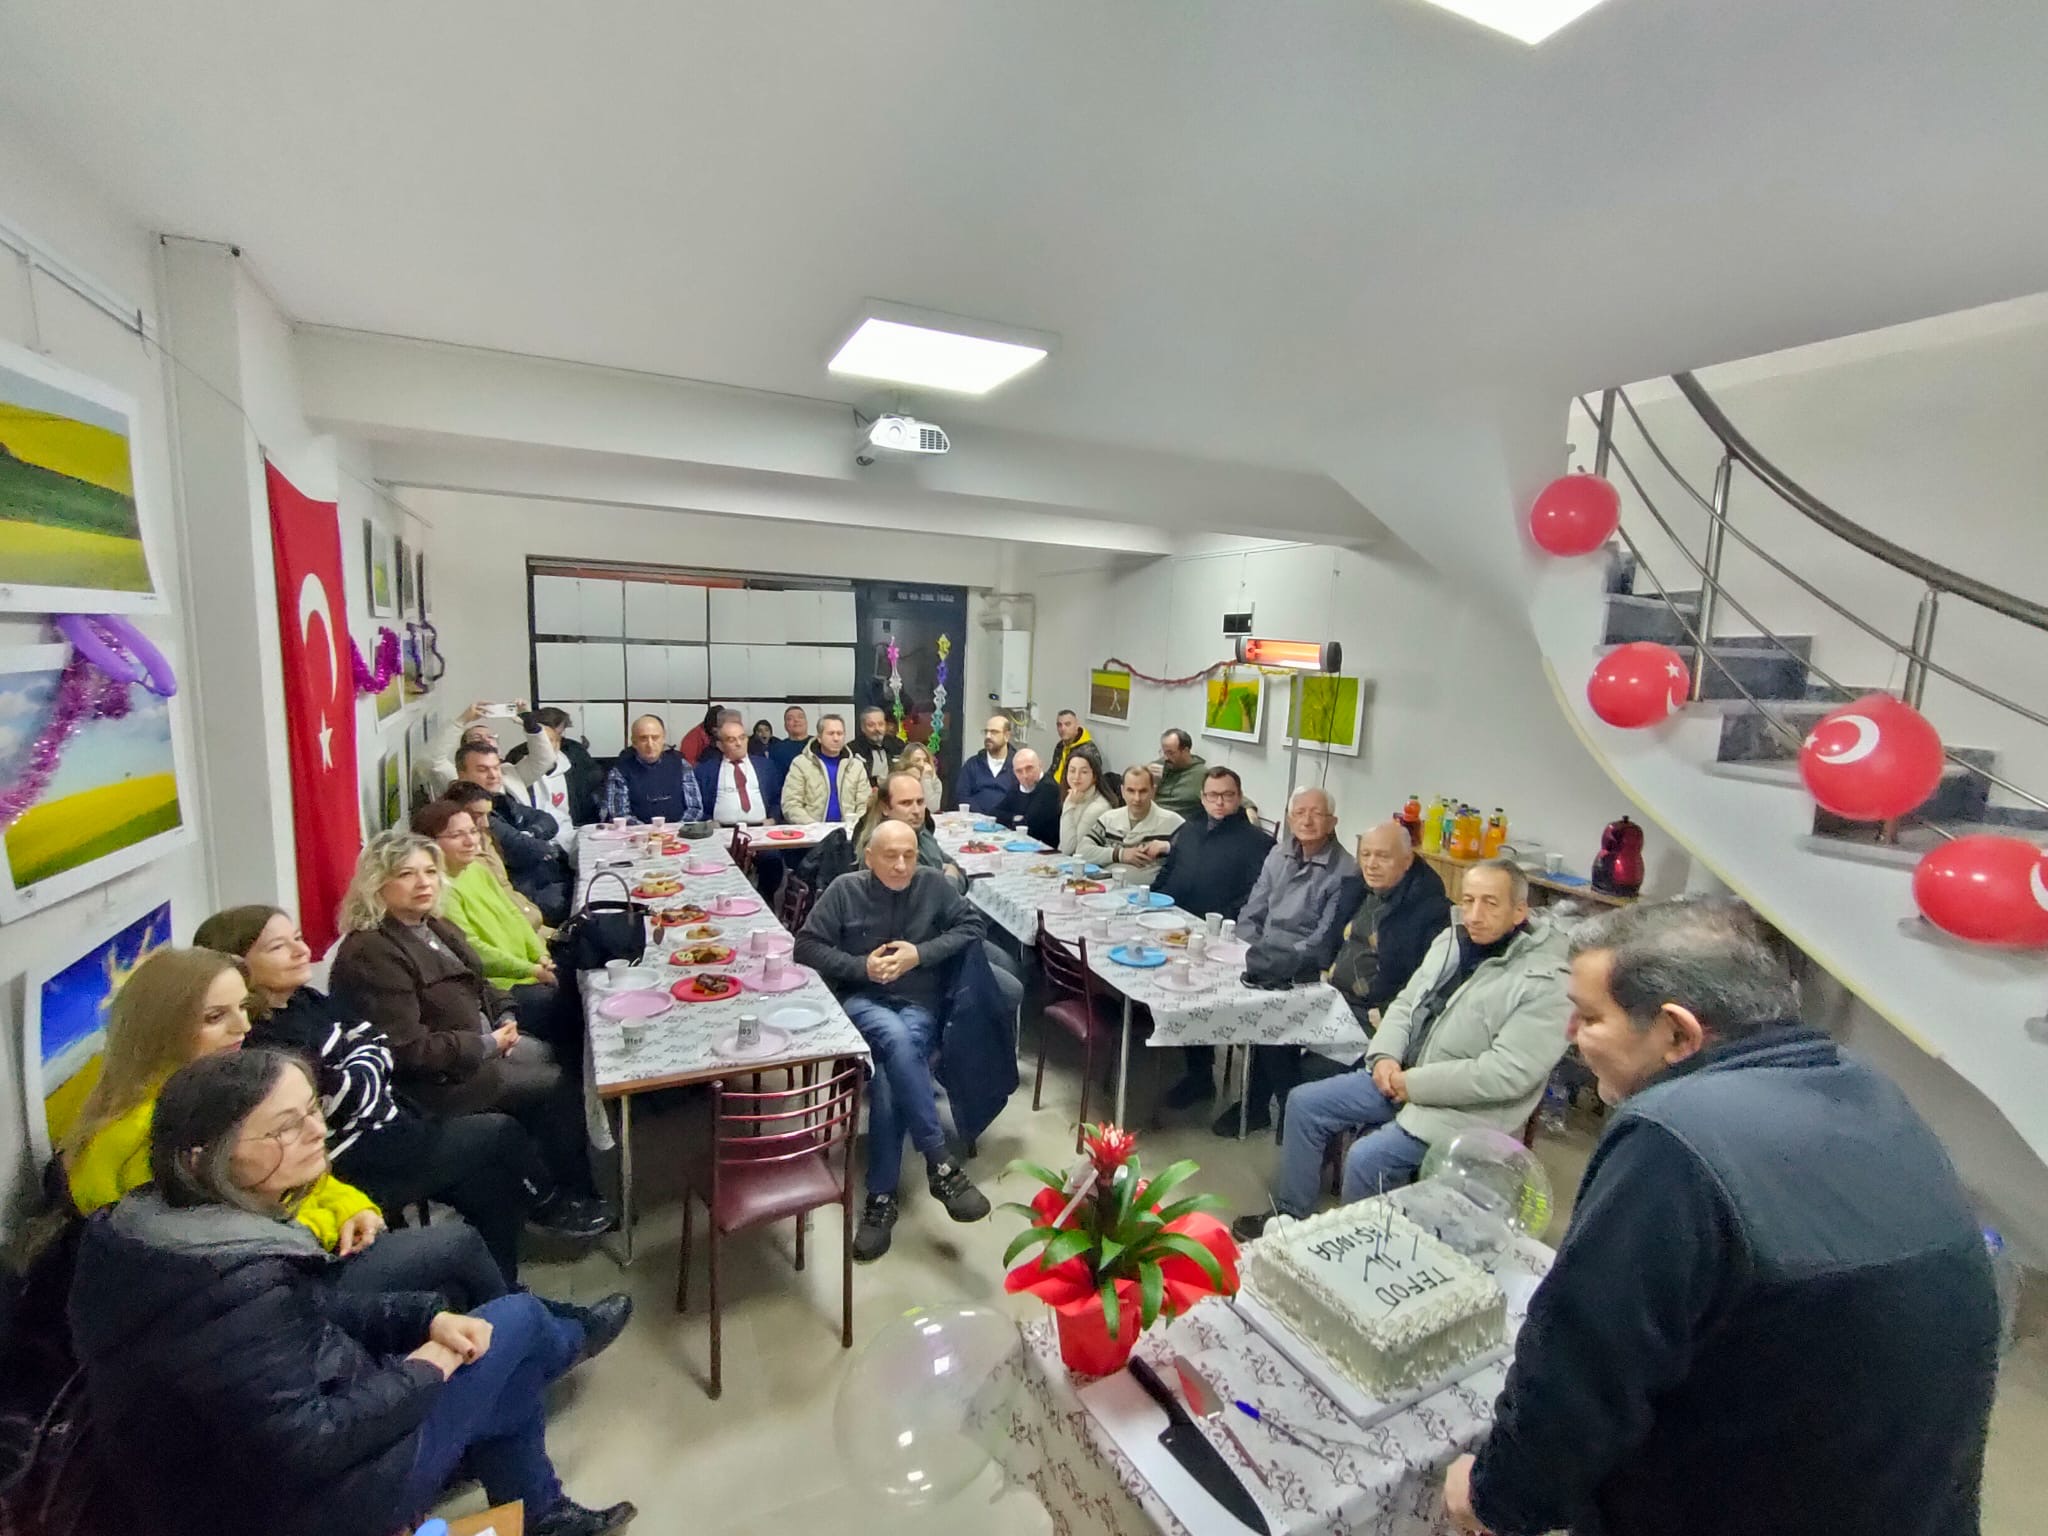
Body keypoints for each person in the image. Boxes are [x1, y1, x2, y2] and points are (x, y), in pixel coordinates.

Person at [1443, 900, 1999, 1536]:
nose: (1571, 1033)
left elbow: (1585, 1370)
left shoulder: (1673, 1135)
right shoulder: (1870, 1090)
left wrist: (1496, 1499)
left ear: (1678, 1035)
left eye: (1591, 1017)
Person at [67, 1049, 636, 1536]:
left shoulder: (156, 1228)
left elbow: (307, 1312)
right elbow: (310, 1444)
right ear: (202, 1158)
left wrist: (426, 1318)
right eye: (285, 1127)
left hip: (259, 1478)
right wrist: (427, 1365)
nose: (318, 1132)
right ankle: (570, 1341)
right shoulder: (228, 1278)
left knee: (503, 1361)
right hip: (306, 1507)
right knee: (518, 1320)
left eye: (312, 1111)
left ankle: (542, 1508)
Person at [62, 949, 505, 1311]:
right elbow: (236, 1240)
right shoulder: (147, 1135)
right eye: (215, 1017)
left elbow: (304, 1177)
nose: (243, 1027)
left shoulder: (212, 1092)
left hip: (290, 1258)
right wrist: (334, 1222)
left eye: (243, 1008)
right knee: (458, 1245)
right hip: (257, 1293)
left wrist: (354, 1207)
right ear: (162, 1029)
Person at [193, 904, 615, 1277]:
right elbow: (352, 1086)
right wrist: (361, 1064)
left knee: (490, 1186)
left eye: (298, 938)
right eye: (277, 947)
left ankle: (503, 1287)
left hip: (398, 1115)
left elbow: (374, 1044)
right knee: (501, 1131)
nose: (301, 951)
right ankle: (547, 1204)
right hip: (363, 1154)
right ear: (238, 964)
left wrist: (358, 1065)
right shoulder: (259, 1039)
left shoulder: (304, 1000)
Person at [1239, 859, 1569, 1238]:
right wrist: (1384, 1057)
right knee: (1304, 1103)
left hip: (1465, 1110)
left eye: (1490, 903)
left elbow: (1504, 1074)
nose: (1474, 915)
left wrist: (1413, 1084)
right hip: (1400, 1078)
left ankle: (1360, 1247)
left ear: (1520, 911)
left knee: (1367, 1158)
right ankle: (1291, 1217)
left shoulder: (1547, 982)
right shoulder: (1452, 941)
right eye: (1468, 900)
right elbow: (1406, 1004)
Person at [329, 833, 606, 1220]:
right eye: (407, 874)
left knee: (560, 1058)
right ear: (377, 884)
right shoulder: (371, 953)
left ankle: (560, 1179)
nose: (423, 883)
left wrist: (505, 1014)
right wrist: (486, 1044)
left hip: (481, 1044)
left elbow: (478, 982)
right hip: (440, 1083)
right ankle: (553, 1202)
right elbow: (407, 1050)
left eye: (430, 872)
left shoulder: (432, 925)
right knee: (557, 1084)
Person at [795, 821, 993, 1262]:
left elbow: (973, 926)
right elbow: (805, 946)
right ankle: (939, 1161)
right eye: (890, 856)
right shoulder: (845, 890)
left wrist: (919, 954)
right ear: (869, 857)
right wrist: (860, 967)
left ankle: (880, 1200)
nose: (902, 865)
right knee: (894, 1038)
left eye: (909, 855)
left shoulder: (932, 884)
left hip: (919, 1003)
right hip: (862, 1000)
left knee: (889, 1070)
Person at [1211, 788, 1365, 1136]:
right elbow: (1253, 911)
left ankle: (1272, 1106)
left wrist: (1271, 964)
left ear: (1333, 821)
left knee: (1270, 1015)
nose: (1307, 820)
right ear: (1290, 817)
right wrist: (1248, 952)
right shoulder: (1278, 853)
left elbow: (1322, 940)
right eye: (1299, 813)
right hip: (1260, 956)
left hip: (1304, 969)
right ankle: (1256, 1101)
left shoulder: (1346, 871)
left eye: (1316, 813)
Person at [1153, 767, 1273, 1109]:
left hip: (1218, 937)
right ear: (1202, 798)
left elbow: (1255, 896)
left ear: (1239, 797)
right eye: (1212, 795)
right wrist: (1150, 900)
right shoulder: (1189, 829)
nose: (1219, 802)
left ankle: (1200, 1076)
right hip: (1170, 924)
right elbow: (1169, 870)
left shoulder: (1258, 843)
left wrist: (1220, 925)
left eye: (1227, 795)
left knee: (1194, 996)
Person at [414, 799, 559, 1003]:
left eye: (473, 832)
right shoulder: (438, 890)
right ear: (429, 843)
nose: (470, 841)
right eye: (456, 835)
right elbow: (471, 949)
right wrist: (531, 969)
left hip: (531, 970)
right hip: (499, 987)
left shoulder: (476, 869)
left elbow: (514, 913)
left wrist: (540, 955)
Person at [1327, 819, 1451, 1033]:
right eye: (1365, 854)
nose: (1371, 864)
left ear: (1407, 860)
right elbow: (1330, 939)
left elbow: (1426, 981)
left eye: (1383, 856)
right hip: (1330, 996)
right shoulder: (1358, 888)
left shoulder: (1430, 909)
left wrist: (1387, 1011)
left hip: (1371, 1015)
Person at [456, 740, 573, 926]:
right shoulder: (469, 813)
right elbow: (524, 850)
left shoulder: (497, 799)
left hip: (540, 882)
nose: (493, 775)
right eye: (483, 770)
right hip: (524, 895)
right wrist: (541, 845)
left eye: (496, 768)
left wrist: (530, 833)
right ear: (462, 774)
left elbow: (548, 820)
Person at [445, 779, 549, 936]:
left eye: (487, 815)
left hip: (529, 920)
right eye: (477, 815)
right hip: (514, 930)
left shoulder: (487, 838)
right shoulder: (461, 859)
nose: (485, 823)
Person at [424, 699, 558, 797]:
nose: (485, 740)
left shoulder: (510, 774)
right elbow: (433, 761)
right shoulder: (458, 777)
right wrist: (462, 720)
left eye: (490, 737)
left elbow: (545, 759)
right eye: (476, 737)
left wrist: (529, 721)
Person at [1079, 762, 1185, 881]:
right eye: (1131, 791)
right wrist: (1121, 854)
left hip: (1151, 891)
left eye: (1143, 791)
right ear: (1122, 791)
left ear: (1153, 791)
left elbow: (1194, 856)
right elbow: (1082, 851)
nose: (1137, 798)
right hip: (1105, 888)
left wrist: (1168, 847)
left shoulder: (1173, 822)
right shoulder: (1108, 819)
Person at [508, 705, 605, 829]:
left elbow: (592, 781)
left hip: (575, 823)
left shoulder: (573, 752)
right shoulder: (518, 756)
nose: (549, 746)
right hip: (534, 827)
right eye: (545, 739)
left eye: (556, 738)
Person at [600, 713, 706, 825]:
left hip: (680, 831)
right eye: (643, 738)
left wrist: (676, 829)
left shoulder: (681, 765)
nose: (650, 744)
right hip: (637, 834)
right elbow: (620, 815)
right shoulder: (620, 771)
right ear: (634, 742)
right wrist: (649, 832)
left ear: (663, 739)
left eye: (655, 738)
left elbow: (695, 808)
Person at [780, 712, 874, 824]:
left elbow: (865, 803)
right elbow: (791, 804)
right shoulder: (801, 764)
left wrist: (855, 825)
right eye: (831, 733)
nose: (836, 738)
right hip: (812, 831)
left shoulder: (856, 766)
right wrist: (814, 827)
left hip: (849, 830)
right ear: (819, 737)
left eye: (840, 733)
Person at [695, 715, 781, 828]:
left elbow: (778, 798)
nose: (739, 743)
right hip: (720, 830)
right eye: (732, 740)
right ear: (720, 745)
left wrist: (773, 819)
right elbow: (696, 805)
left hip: (761, 828)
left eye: (742, 738)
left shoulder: (766, 766)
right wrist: (708, 822)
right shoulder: (705, 771)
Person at [1057, 743, 1119, 856]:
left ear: (1094, 776)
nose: (1076, 777)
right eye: (1072, 771)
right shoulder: (1075, 795)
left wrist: (1069, 804)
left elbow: (1069, 849)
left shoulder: (1099, 807)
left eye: (1084, 772)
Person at [995, 745, 1061, 846]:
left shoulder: (1049, 788)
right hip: (1021, 844)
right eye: (1019, 771)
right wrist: (1015, 817)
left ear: (1040, 765)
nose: (1025, 775)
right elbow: (994, 813)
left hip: (1044, 849)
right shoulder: (1017, 787)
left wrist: (1013, 819)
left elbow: (1028, 826)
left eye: (1029, 768)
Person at [954, 714, 1017, 815]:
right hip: (975, 820)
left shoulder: (1018, 766)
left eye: (994, 732)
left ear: (1007, 736)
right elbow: (962, 795)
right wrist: (982, 817)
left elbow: (1022, 798)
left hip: (1006, 821)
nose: (988, 736)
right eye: (986, 732)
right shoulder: (972, 764)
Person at [1152, 728, 1208, 819]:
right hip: (1153, 817)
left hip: (1181, 822)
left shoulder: (1202, 775)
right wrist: (1150, 781)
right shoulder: (1158, 766)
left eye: (1170, 753)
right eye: (1163, 752)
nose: (1166, 757)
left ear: (1185, 751)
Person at [852, 705, 896, 788]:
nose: (877, 729)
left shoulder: (897, 746)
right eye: (871, 725)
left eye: (881, 724)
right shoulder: (853, 749)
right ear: (863, 728)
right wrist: (875, 782)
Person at [1047, 708, 1092, 787]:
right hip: (1054, 787)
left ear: (1077, 725)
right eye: (1059, 725)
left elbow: (1086, 784)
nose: (1063, 729)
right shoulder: (1060, 745)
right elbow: (1053, 770)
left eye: (1067, 724)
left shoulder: (1087, 752)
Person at [896, 742, 946, 813]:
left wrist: (926, 778)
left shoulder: (934, 782)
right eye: (917, 760)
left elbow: (931, 808)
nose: (922, 764)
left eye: (925, 761)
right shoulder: (898, 781)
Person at [769, 704, 811, 774]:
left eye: (800, 717)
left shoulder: (818, 743)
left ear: (806, 722)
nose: (796, 720)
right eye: (790, 718)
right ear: (785, 726)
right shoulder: (777, 749)